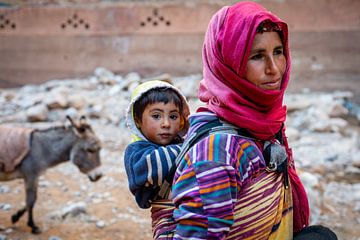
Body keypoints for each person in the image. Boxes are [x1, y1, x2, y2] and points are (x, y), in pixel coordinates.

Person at [170, 2, 338, 240]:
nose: (275, 69)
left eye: (278, 52)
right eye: (257, 56)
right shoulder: (216, 152)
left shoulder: (261, 124)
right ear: (226, 64)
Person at [124, 80, 190, 239]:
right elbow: (158, 164)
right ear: (138, 121)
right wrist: (196, 146)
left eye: (173, 116)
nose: (166, 124)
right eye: (156, 116)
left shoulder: (180, 144)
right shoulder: (137, 152)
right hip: (168, 222)